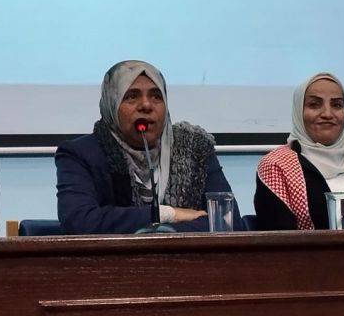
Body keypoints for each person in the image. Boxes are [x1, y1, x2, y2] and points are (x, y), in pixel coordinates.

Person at [56, 60, 243, 234]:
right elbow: (79, 222)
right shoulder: (81, 154)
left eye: (156, 96)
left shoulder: (195, 148)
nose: (146, 105)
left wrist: (164, 233)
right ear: (111, 105)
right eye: (131, 96)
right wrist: (167, 214)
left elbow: (228, 221)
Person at [254, 73, 344, 230]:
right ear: (298, 112)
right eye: (314, 105)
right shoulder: (277, 166)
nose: (327, 114)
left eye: (337, 105)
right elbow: (278, 239)